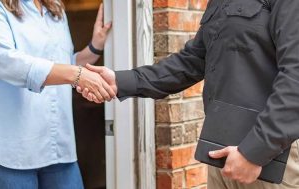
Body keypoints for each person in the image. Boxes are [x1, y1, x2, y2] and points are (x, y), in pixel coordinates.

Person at [78, 0, 299, 188]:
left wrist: (255, 151)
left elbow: (295, 78)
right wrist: (120, 81)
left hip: (271, 156)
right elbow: (191, 61)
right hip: (224, 155)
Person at [0, 0, 115, 188]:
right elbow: (6, 62)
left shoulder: (55, 7)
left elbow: (63, 63)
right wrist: (77, 75)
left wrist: (95, 46)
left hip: (60, 147)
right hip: (16, 152)